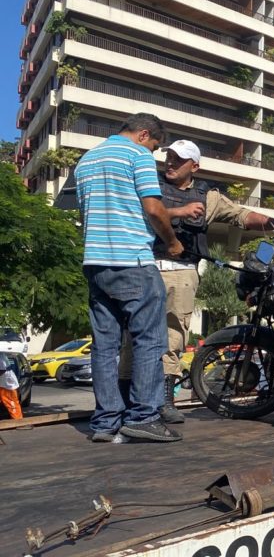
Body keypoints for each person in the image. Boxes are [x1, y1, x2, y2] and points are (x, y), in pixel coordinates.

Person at [119, 140, 274, 424]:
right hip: (143, 266)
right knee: (132, 335)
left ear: (194, 166)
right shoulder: (149, 183)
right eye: (168, 156)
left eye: (178, 159)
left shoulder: (209, 198)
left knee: (174, 335)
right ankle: (122, 401)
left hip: (181, 271)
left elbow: (242, 216)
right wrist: (179, 212)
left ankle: (165, 401)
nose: (170, 162)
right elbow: (134, 213)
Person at [77, 113, 184, 443]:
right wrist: (172, 242)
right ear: (144, 135)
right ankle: (143, 417)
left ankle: (105, 422)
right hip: (133, 261)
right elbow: (152, 208)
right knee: (149, 340)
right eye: (155, 146)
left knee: (104, 346)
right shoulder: (137, 155)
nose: (153, 153)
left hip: (95, 262)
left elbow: (86, 213)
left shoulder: (87, 159)